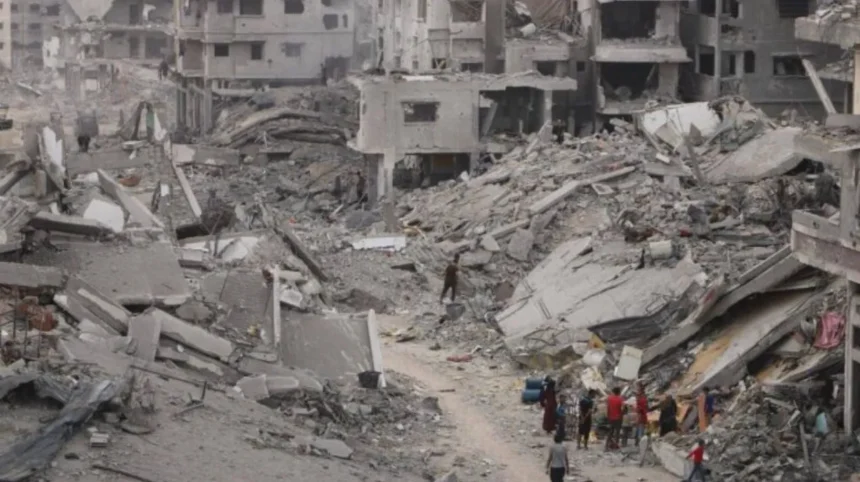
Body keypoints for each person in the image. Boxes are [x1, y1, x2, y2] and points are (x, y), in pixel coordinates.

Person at [605, 387, 624, 451]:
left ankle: (606, 446)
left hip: (611, 418)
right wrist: (622, 414)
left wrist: (608, 416)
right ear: (619, 392)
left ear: (613, 392)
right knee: (617, 432)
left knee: (610, 432)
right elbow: (622, 409)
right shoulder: (621, 399)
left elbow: (608, 408)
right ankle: (616, 446)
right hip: (618, 418)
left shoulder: (609, 398)